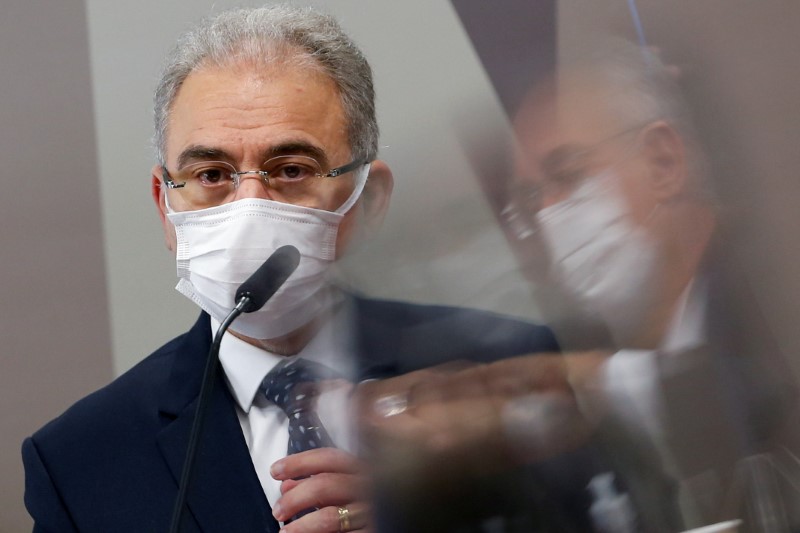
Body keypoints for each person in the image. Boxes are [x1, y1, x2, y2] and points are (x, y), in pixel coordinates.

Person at [21, 5, 562, 533]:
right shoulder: (79, 461)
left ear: (368, 200)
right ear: (166, 206)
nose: (249, 207)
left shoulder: (514, 370)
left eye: (292, 169)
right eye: (211, 174)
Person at [502, 41, 800, 529]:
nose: (550, 216)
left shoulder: (776, 315)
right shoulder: (610, 401)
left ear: (664, 162)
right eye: (533, 198)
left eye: (568, 174)